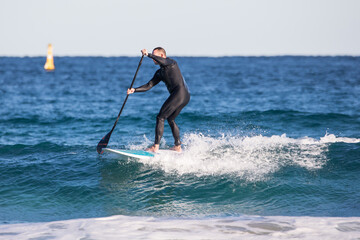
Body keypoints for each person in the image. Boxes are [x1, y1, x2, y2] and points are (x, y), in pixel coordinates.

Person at [127, 47, 190, 153]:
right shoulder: (159, 73)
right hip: (184, 96)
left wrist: (148, 55)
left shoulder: (171, 63)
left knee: (160, 117)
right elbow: (149, 85)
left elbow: (163, 61)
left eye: (155, 56)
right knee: (170, 119)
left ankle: (155, 146)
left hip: (180, 94)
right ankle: (178, 146)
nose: (153, 59)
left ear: (161, 56)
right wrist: (134, 90)